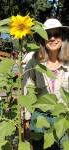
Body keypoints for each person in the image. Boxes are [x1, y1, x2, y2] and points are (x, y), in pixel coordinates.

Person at [23, 18, 69, 149]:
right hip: (40, 118)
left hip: (63, 118)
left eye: (57, 34)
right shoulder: (34, 62)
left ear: (62, 37)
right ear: (42, 38)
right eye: (48, 35)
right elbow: (27, 91)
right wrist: (26, 120)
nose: (53, 38)